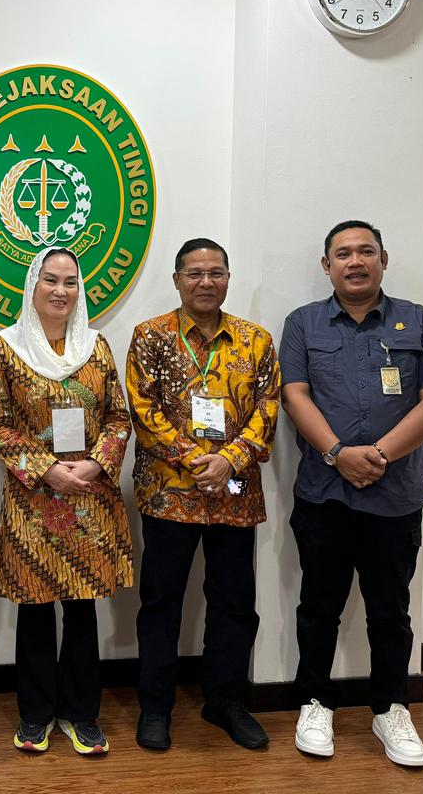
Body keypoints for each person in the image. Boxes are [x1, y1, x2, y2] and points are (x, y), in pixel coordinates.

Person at [280, 220, 423, 768]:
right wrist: (338, 454)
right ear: (325, 265)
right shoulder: (303, 323)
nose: (354, 262)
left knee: (390, 611)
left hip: (395, 496)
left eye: (365, 252)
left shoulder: (420, 322)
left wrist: (377, 455)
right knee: (318, 608)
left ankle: (390, 708)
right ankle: (315, 702)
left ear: (384, 259)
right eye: (342, 254)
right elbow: (294, 395)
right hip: (324, 494)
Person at [126, 237, 281, 752]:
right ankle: (155, 705)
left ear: (229, 279)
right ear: (176, 280)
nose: (206, 282)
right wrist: (197, 461)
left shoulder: (255, 340)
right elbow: (142, 412)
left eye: (215, 273)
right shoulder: (150, 337)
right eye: (194, 273)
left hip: (234, 493)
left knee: (235, 603)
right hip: (169, 493)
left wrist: (228, 461)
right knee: (161, 602)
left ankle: (226, 701)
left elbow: (268, 405)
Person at [0, 248, 133, 755]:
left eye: (70, 281)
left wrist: (95, 463)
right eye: (51, 280)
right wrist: (45, 467)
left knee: (84, 610)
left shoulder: (97, 346)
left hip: (89, 497)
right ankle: (35, 714)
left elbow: (118, 417)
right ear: (33, 285)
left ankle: (82, 715)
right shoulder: (6, 347)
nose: (61, 290)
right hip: (33, 500)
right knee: (35, 611)